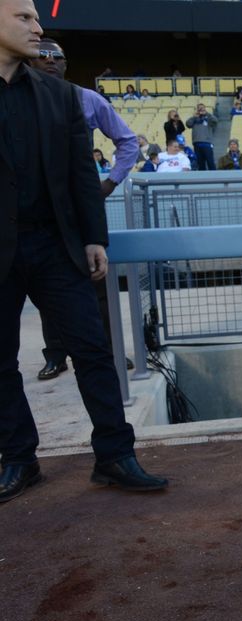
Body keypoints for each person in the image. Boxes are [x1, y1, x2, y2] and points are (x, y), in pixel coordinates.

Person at [0, 0, 167, 503]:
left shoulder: (61, 96)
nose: (38, 25)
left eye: (36, 16)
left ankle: (115, 456)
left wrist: (95, 237)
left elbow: (79, 173)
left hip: (56, 245)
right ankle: (19, 460)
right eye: (24, 17)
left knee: (93, 351)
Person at [29, 39, 140, 380]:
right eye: (42, 56)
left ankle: (108, 351)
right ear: (30, 62)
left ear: (66, 63)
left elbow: (128, 141)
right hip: (37, 208)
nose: (50, 61)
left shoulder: (87, 99)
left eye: (57, 56)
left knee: (97, 279)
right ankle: (56, 354)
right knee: (45, 283)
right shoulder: (19, 98)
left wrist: (108, 183)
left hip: (80, 205)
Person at [185, 102, 218, 171]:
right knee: (200, 162)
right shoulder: (194, 118)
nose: (201, 109)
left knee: (210, 161)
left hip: (207, 142)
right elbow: (188, 124)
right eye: (199, 108)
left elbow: (215, 121)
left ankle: (214, 176)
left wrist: (207, 114)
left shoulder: (209, 117)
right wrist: (194, 116)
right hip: (197, 143)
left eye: (202, 108)